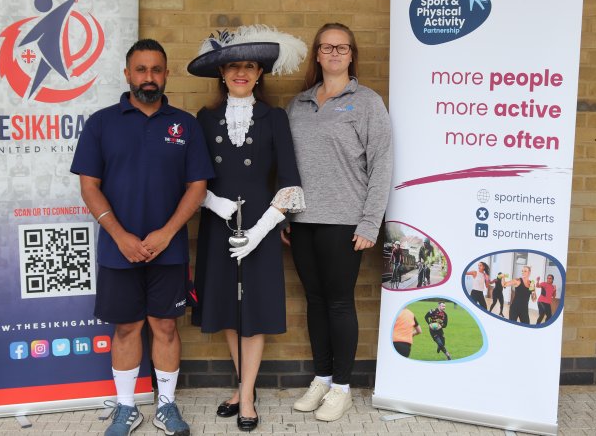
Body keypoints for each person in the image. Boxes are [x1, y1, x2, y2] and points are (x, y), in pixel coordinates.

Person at [71, 39, 214, 436]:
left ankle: (167, 407)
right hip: (119, 250)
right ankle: (125, 408)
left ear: (166, 74)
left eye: (155, 70)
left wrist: (167, 234)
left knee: (165, 326)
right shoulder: (101, 123)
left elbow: (197, 185)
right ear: (127, 74)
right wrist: (119, 236)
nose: (148, 77)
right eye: (140, 69)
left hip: (168, 251)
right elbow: (89, 186)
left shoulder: (184, 125)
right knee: (126, 328)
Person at [187, 25, 307, 432]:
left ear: (260, 73)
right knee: (229, 309)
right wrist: (211, 201)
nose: (241, 73)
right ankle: (243, 387)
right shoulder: (203, 119)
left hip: (261, 223)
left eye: (250, 66)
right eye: (234, 66)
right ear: (222, 73)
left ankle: (248, 394)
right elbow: (189, 177)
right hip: (219, 223)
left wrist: (261, 231)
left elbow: (290, 182)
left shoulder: (275, 118)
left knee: (253, 310)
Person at [285, 23, 392, 422]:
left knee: (339, 302)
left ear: (351, 54)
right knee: (314, 301)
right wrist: (284, 215)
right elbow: (287, 166)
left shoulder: (366, 102)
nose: (334, 53)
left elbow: (382, 163)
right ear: (317, 53)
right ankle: (323, 377)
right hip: (302, 221)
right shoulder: (299, 104)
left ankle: (343, 389)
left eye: (341, 47)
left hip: (344, 221)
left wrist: (369, 222)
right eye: (326, 47)